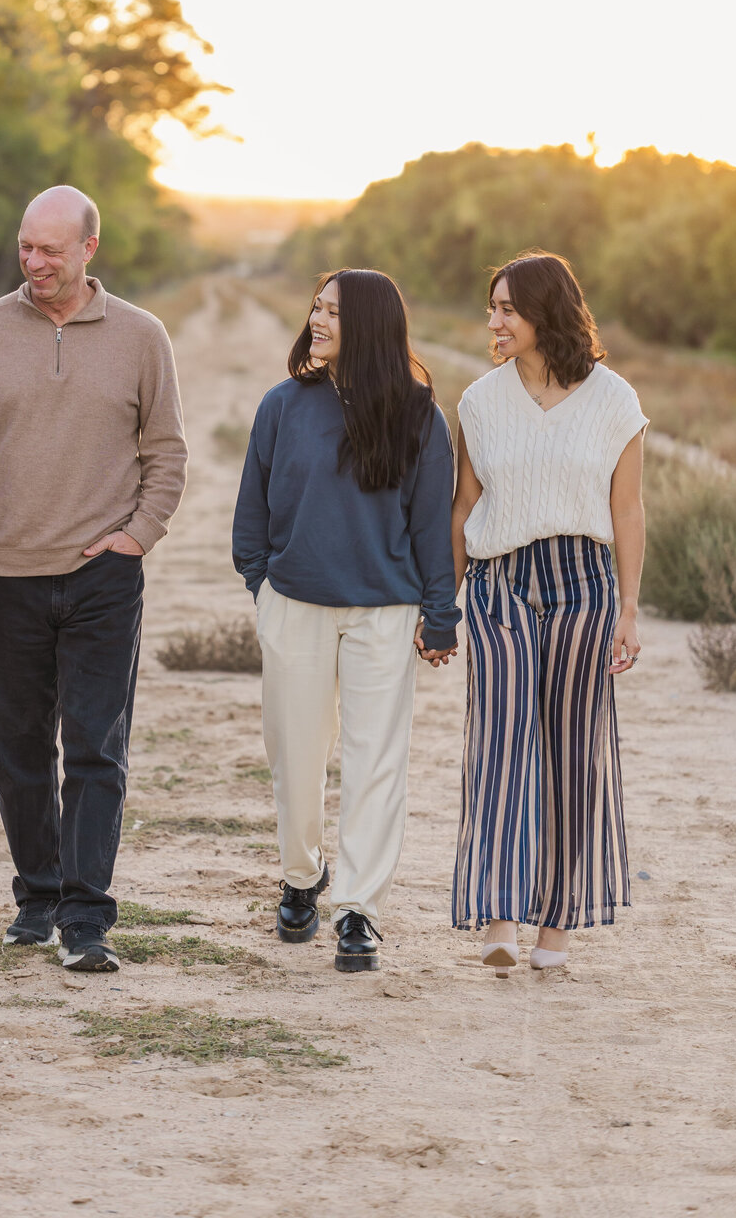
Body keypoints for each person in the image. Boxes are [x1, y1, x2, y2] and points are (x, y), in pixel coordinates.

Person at [0, 185, 187, 974]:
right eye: (25, 247)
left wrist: (136, 537)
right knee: (18, 752)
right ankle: (36, 898)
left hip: (103, 580)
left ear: (88, 250)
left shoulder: (142, 336)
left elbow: (167, 453)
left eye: (50, 249)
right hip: (8, 578)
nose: (34, 263)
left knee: (96, 751)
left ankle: (86, 918)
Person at [232, 269, 460, 973]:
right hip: (294, 605)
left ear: (369, 324)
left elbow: (432, 526)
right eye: (317, 307)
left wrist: (440, 612)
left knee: (376, 763)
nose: (319, 319)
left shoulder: (420, 416)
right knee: (295, 757)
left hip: (386, 615)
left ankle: (359, 908)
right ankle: (303, 876)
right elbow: (251, 516)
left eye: (334, 310)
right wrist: (263, 587)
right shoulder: (282, 405)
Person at [450, 250, 646, 975]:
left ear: (545, 312)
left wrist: (628, 607)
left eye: (507, 308)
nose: (494, 321)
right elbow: (465, 505)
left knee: (571, 751)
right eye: (491, 306)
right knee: (501, 739)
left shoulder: (614, 400)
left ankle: (556, 926)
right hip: (500, 582)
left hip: (583, 584)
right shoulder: (479, 401)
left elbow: (628, 508)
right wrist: (444, 600)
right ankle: (500, 915)